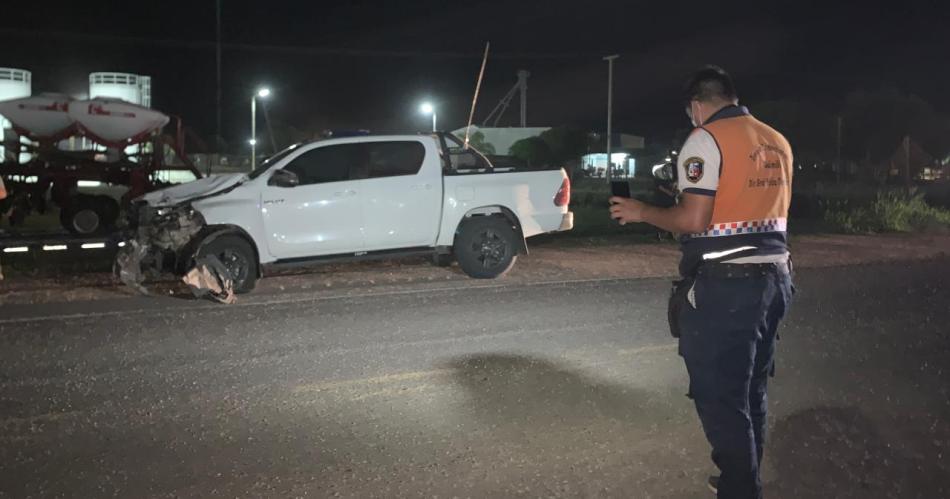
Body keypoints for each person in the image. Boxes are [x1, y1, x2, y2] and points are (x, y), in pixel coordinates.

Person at [609, 66, 794, 499]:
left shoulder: (704, 140)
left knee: (719, 394)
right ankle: (738, 476)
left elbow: (693, 220)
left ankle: (741, 488)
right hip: (776, 278)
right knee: (750, 387)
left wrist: (642, 212)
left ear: (696, 106)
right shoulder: (776, 140)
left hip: (728, 285)